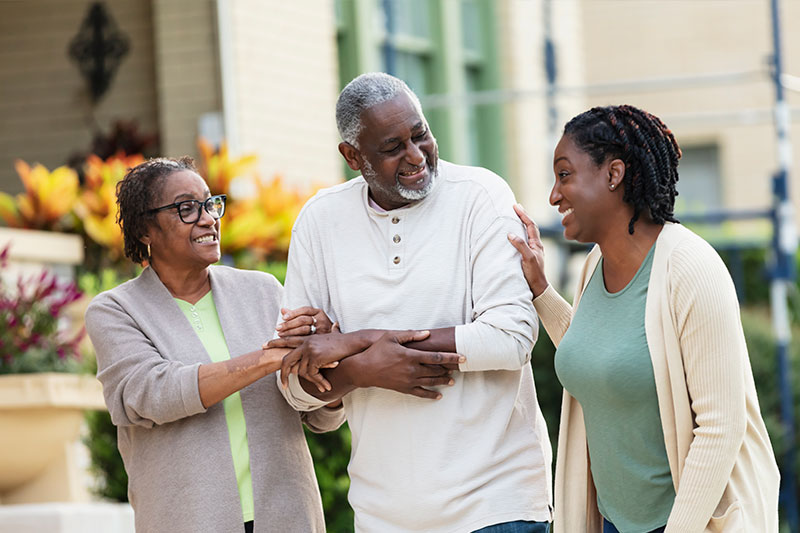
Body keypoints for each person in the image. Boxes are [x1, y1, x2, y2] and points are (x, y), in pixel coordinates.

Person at [269, 72, 553, 533]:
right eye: (392, 147)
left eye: (420, 134)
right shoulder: (319, 222)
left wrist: (358, 343)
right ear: (352, 156)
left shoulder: (481, 197)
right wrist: (361, 368)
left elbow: (512, 338)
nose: (416, 156)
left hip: (497, 506)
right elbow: (296, 387)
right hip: (383, 516)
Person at [508, 105, 780, 532]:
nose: (553, 195)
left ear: (613, 174)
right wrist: (541, 291)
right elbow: (600, 354)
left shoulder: (692, 269)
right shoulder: (594, 265)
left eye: (564, 175)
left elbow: (720, 427)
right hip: (615, 522)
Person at [84, 157, 344, 533]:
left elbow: (316, 414)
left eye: (210, 204)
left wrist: (326, 361)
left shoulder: (263, 291)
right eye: (186, 209)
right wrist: (266, 359)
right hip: (187, 520)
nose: (208, 218)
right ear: (145, 230)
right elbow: (151, 393)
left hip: (287, 516)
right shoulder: (115, 310)